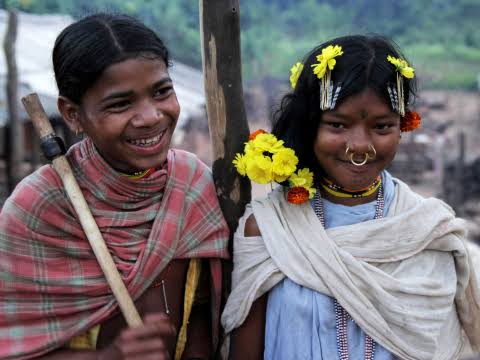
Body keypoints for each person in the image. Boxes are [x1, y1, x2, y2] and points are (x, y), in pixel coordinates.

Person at [222, 35, 480, 359]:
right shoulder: (270, 230)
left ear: (403, 127)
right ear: (309, 125)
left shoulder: (430, 233)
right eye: (337, 125)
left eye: (382, 126)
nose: (359, 146)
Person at [0, 13, 229, 360]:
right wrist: (108, 357)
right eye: (120, 104)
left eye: (162, 91)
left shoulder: (193, 184)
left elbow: (201, 315)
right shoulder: (39, 207)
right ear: (73, 115)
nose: (151, 116)